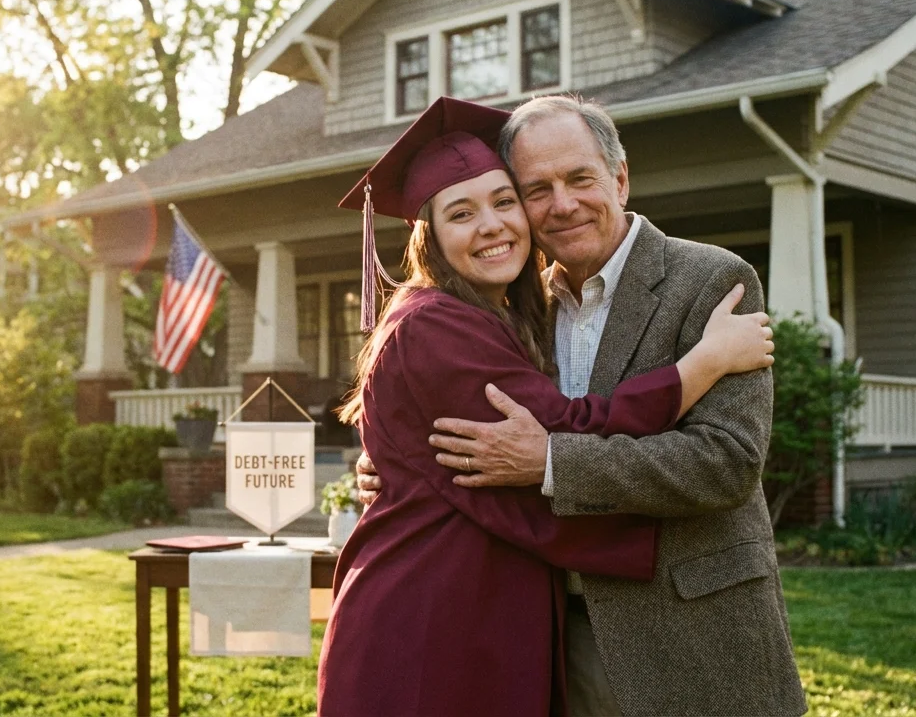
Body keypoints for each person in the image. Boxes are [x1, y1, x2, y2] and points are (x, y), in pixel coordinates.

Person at [317, 97, 775, 717]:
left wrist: (548, 462)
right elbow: (549, 428)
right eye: (535, 189)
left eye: (579, 178)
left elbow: (725, 462)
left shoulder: (711, 283)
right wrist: (400, 471)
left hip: (677, 631)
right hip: (510, 623)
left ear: (619, 177)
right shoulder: (501, 314)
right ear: (431, 234)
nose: (560, 204)